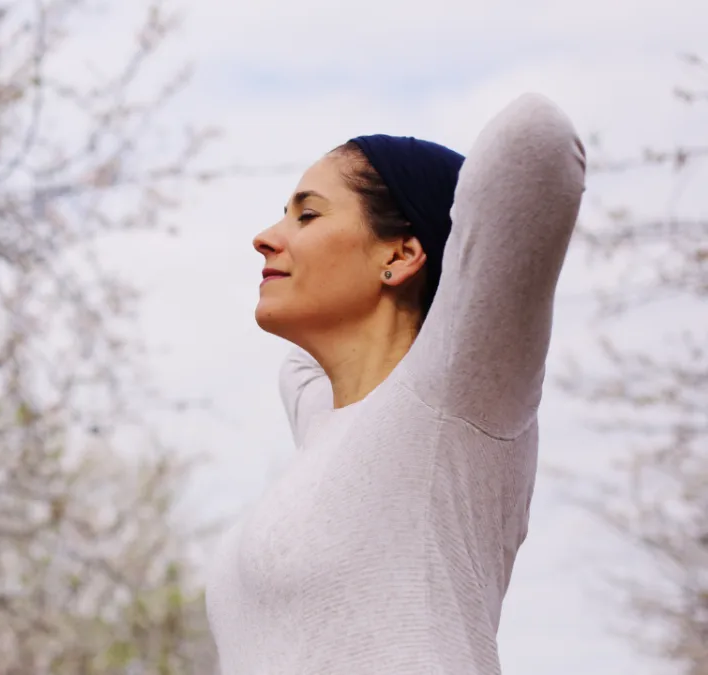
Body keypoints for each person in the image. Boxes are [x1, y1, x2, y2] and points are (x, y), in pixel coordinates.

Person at [204, 93, 586, 674]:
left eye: (307, 215)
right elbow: (303, 371)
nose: (265, 236)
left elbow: (535, 139)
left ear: (402, 253)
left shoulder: (455, 395)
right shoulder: (329, 432)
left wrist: (456, 259)